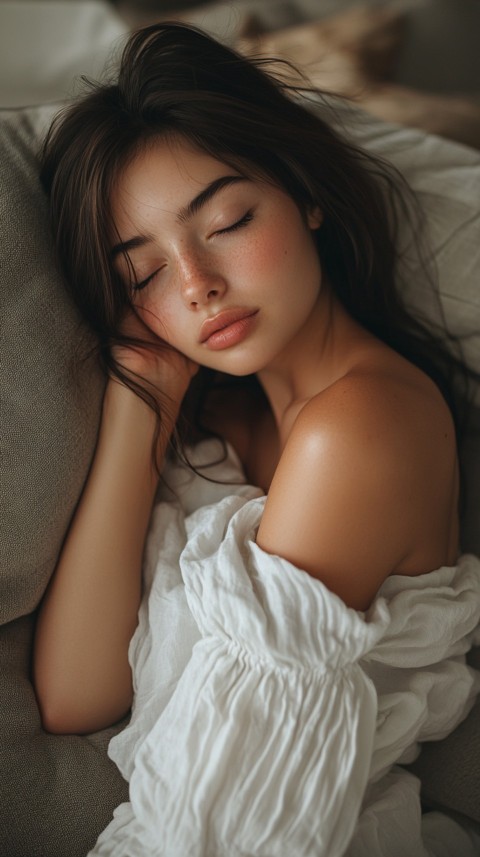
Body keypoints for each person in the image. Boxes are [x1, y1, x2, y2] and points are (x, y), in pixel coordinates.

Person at [32, 20, 469, 737]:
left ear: (305, 193)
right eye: (144, 272)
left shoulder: (359, 427)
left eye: (229, 221)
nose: (198, 285)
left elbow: (233, 766)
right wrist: (141, 405)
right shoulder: (225, 421)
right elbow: (75, 697)